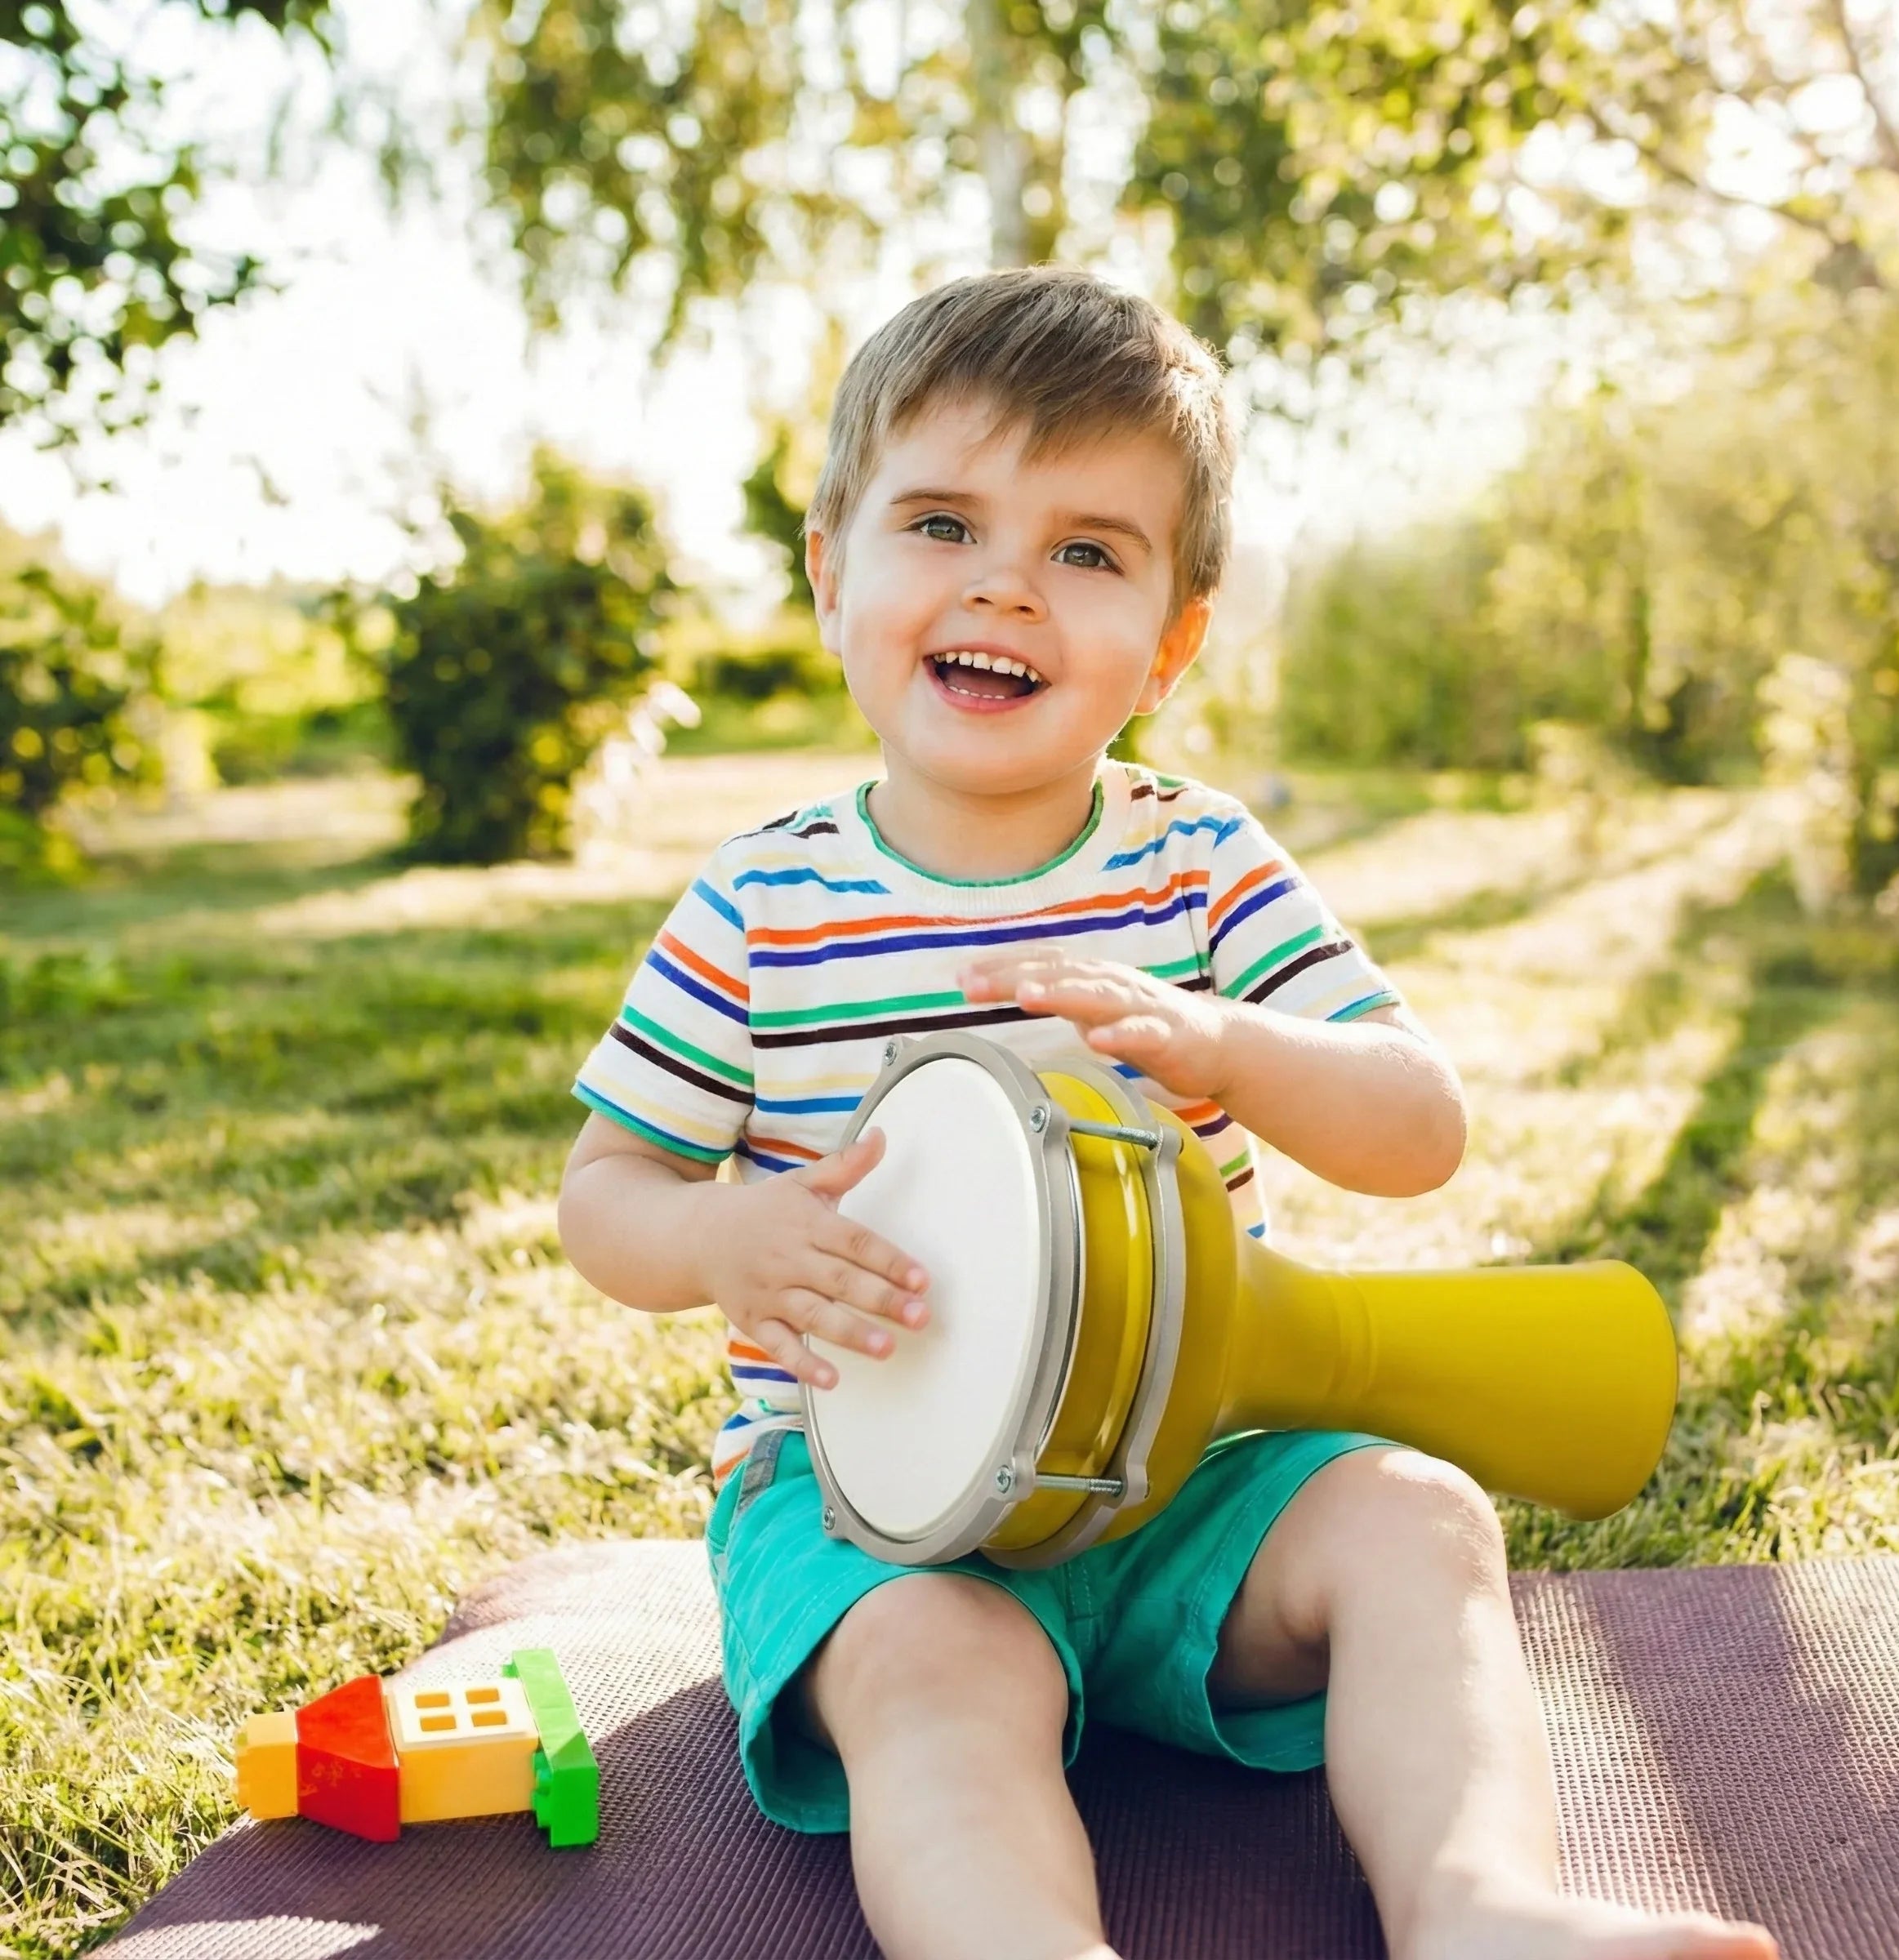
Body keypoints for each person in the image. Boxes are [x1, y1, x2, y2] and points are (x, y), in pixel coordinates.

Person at [557, 267, 1779, 1960]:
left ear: (1174, 641)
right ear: (833, 570)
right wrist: (717, 1232)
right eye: (939, 522)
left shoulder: (1195, 862)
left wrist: (1232, 1041)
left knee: (1419, 1517)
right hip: (875, 1513)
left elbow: (1417, 1125)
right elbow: (605, 1189)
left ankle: (1483, 1909)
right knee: (936, 1676)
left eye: (1087, 550)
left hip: (1193, 1478)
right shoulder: (763, 904)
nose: (1006, 583)